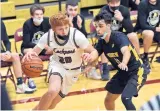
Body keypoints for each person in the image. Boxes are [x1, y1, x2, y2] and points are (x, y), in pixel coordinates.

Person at [22, 12, 96, 110]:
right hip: (57, 65)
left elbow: (94, 51)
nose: (64, 31)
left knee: (51, 105)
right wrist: (30, 54)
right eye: (60, 29)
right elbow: (35, 52)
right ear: (53, 29)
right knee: (53, 90)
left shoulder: (77, 36)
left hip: (73, 71)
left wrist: (91, 60)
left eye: (66, 27)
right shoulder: (48, 36)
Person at [85, 11, 148, 110]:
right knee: (108, 100)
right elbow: (95, 53)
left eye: (100, 26)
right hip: (123, 72)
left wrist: (123, 62)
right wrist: (89, 59)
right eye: (96, 26)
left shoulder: (119, 37)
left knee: (126, 98)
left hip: (137, 71)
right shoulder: (101, 41)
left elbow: (126, 52)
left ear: (108, 26)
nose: (97, 29)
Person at [66, 0, 101, 80]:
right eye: (70, 10)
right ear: (66, 10)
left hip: (78, 43)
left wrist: (80, 26)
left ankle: (90, 70)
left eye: (75, 10)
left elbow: (84, 36)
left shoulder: (80, 18)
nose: (73, 12)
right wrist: (70, 26)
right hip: (66, 44)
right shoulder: (62, 19)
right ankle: (71, 72)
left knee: (94, 51)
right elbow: (64, 37)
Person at [21, 4, 52, 89]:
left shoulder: (47, 21)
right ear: (32, 15)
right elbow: (26, 42)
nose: (39, 16)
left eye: (41, 14)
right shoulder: (27, 24)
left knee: (55, 50)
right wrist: (42, 45)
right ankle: (30, 79)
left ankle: (53, 74)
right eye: (37, 14)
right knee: (31, 52)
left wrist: (50, 45)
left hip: (42, 47)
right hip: (28, 47)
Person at [0, 20, 34, 94]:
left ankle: (20, 85)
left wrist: (8, 51)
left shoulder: (0, 23)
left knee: (15, 56)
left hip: (2, 53)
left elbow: (7, 41)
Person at [135, 0, 160, 69]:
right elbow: (143, 25)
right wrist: (156, 29)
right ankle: (145, 57)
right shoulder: (143, 4)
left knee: (152, 32)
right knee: (150, 33)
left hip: (155, 30)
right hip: (141, 30)